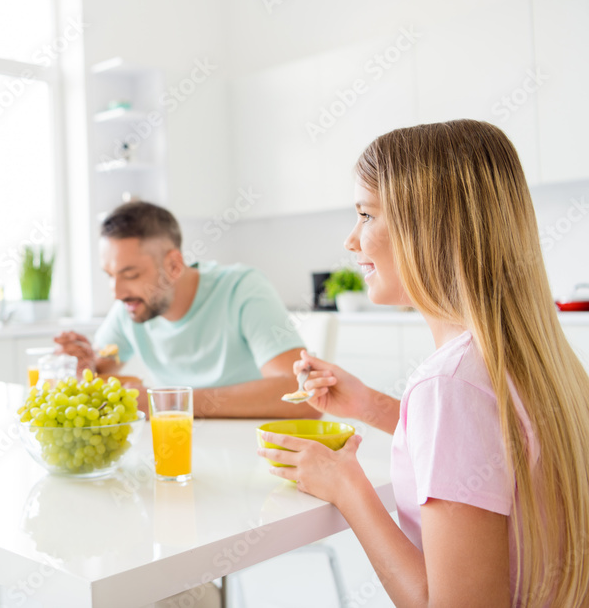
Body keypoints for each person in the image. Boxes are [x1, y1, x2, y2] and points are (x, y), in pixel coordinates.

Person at [256, 120, 589, 607]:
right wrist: (371, 405)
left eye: (366, 215)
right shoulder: (540, 359)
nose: (351, 240)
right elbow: (495, 451)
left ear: (428, 229)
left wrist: (349, 488)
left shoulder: (448, 385)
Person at [56, 201, 314, 418]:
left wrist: (169, 403)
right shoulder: (131, 305)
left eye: (131, 274)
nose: (117, 292)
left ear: (174, 266)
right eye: (110, 275)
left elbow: (303, 395)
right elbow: (97, 372)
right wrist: (80, 363)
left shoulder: (242, 289)